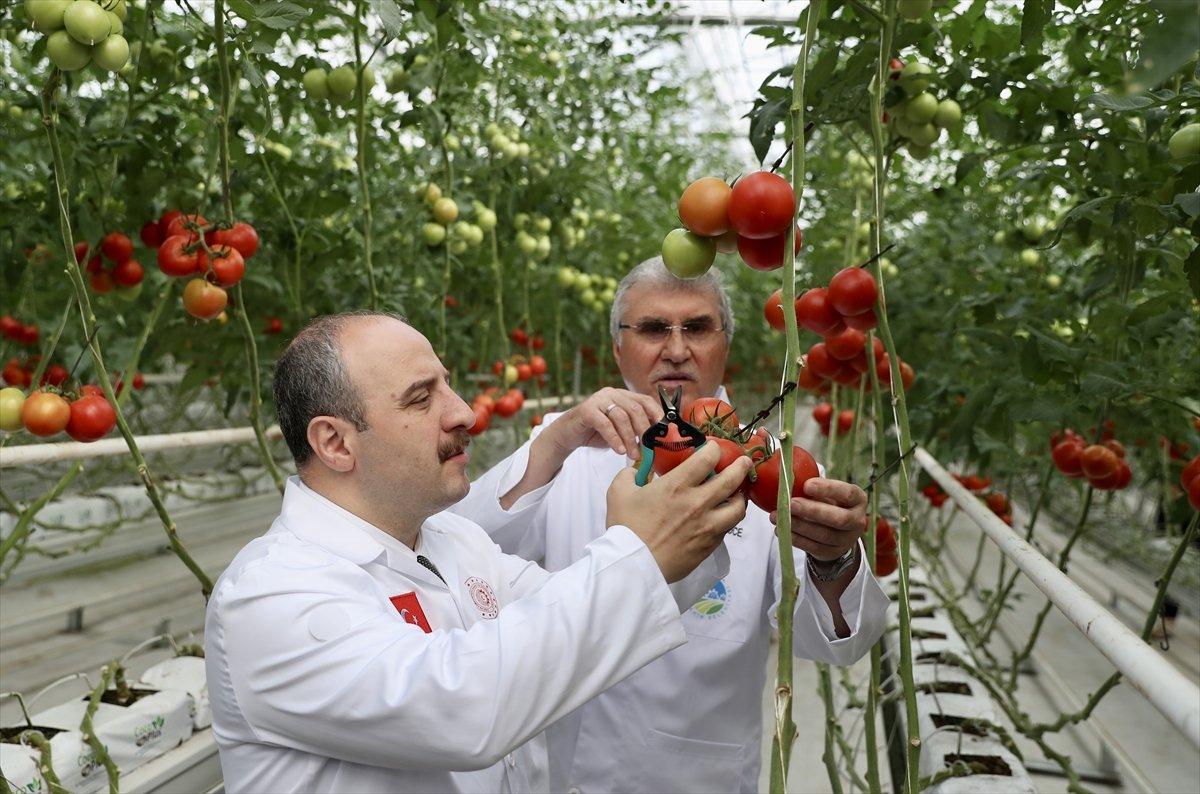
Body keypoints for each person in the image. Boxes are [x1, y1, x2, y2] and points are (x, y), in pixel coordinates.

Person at [204, 311, 754, 793]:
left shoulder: (453, 542)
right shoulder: (272, 594)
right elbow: (466, 709)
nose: (465, 413)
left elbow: (577, 618)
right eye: (422, 399)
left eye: (449, 386)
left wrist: (700, 518)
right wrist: (635, 550)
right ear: (335, 443)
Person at [453, 257, 890, 794]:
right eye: (654, 328)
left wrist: (836, 556)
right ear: (618, 346)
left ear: (726, 343)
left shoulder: (777, 471)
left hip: (691, 776)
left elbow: (838, 646)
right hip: (560, 771)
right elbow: (453, 550)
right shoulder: (566, 449)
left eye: (699, 327)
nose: (677, 349)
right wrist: (557, 438)